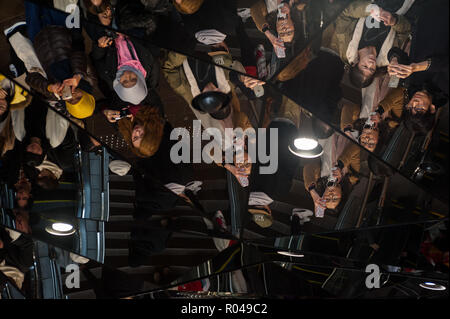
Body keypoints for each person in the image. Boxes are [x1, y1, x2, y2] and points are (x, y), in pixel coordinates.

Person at [325, 0, 411, 88]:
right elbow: (406, 30)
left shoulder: (347, 44)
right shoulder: (387, 56)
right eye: (372, 69)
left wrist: (372, 10)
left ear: (355, 63)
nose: (371, 63)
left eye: (365, 66)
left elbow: (344, 13)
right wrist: (394, 21)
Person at [25, 25, 95, 119]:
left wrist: (49, 87)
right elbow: (79, 53)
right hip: (61, 33)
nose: (73, 96)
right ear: (86, 96)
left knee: (31, 13)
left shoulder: (55, 95)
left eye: (70, 101)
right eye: (78, 98)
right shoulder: (89, 80)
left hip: (40, 43)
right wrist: (78, 75)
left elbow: (30, 78)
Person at [91, 30, 160, 108]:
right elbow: (151, 39)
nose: (128, 76)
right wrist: (129, 33)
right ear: (140, 80)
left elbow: (97, 58)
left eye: (125, 81)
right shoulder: (148, 65)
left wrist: (100, 46)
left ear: (119, 84)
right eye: (133, 79)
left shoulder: (108, 74)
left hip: (105, 31)